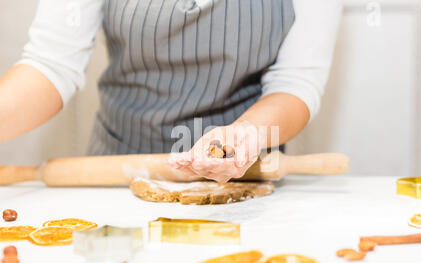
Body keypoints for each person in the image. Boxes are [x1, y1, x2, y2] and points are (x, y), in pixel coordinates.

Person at [0, 0, 342, 182]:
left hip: (245, 182)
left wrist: (245, 135)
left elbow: (294, 82)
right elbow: (51, 64)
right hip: (117, 176)